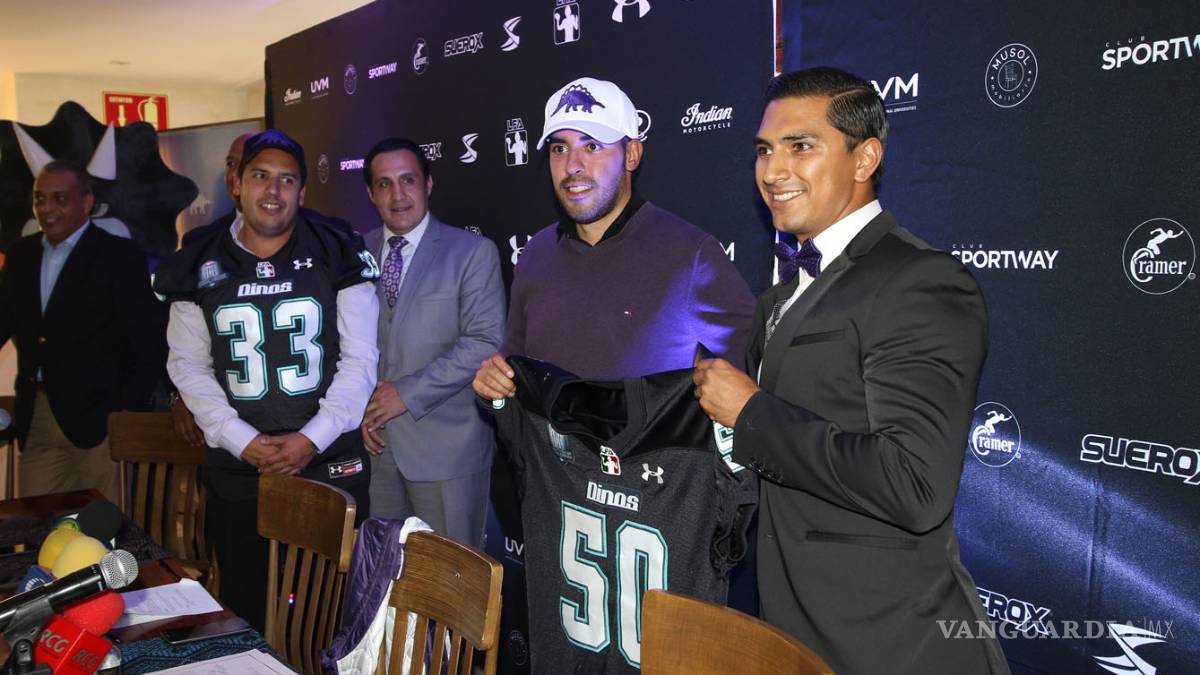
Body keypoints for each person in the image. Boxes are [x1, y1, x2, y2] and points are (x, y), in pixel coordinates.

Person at [692, 67, 1009, 674]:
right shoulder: (778, 297)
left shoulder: (919, 281)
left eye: (800, 146)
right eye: (764, 149)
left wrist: (751, 413)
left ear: (864, 159)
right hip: (795, 633)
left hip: (893, 644)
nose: (773, 171)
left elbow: (914, 485)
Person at [153, 129, 380, 632]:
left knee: (329, 613)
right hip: (239, 467)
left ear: (303, 191)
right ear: (237, 183)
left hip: (327, 460)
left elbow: (361, 360)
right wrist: (243, 441)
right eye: (260, 176)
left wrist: (310, 439)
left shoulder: (337, 248)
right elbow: (188, 366)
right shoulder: (198, 256)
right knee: (246, 606)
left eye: (287, 179)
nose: (273, 190)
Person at [473, 75, 754, 396]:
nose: (572, 166)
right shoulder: (536, 253)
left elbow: (751, 376)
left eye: (592, 146)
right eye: (559, 148)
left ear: (632, 154)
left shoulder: (690, 255)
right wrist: (493, 386)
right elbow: (512, 367)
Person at [358, 137, 504, 547]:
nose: (397, 194)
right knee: (384, 577)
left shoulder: (472, 253)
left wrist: (404, 394)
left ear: (428, 184)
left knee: (451, 579)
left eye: (408, 180)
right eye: (384, 184)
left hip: (448, 455)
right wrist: (360, 409)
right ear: (371, 193)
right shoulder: (356, 254)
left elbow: (484, 342)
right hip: (376, 451)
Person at [0, 160, 165, 502]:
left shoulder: (118, 255)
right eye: (40, 198)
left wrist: (123, 411)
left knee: (102, 527)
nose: (47, 208)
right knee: (39, 528)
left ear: (86, 202)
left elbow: (148, 339)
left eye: (59, 198)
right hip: (38, 416)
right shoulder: (19, 256)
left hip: (101, 421)